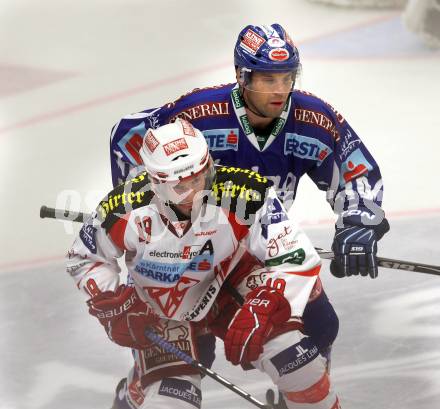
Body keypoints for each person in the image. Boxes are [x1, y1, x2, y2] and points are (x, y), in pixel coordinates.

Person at [108, 23, 389, 369]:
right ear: (243, 76)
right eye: (269, 79)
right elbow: (127, 137)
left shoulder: (313, 120)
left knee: (319, 325)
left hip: (258, 246)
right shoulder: (198, 116)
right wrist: (138, 221)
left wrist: (358, 222)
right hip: (188, 253)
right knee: (183, 360)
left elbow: (355, 170)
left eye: (288, 78)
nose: (281, 90)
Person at [67, 120, 341, 408]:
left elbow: (295, 254)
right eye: (181, 187)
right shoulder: (123, 205)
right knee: (171, 398)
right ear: (156, 184)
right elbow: (84, 257)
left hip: (229, 285)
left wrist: (267, 301)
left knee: (297, 362)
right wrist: (114, 304)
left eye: (199, 179)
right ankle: (135, 391)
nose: (195, 193)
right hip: (162, 307)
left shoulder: (246, 191)